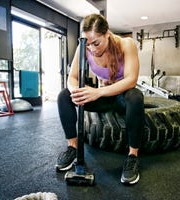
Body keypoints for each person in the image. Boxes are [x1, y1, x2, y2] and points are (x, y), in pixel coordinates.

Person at [56, 13, 144, 185]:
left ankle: (132, 156)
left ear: (107, 34)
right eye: (88, 45)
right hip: (102, 96)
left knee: (135, 96)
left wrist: (98, 92)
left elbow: (131, 79)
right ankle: (72, 148)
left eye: (96, 43)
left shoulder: (126, 44)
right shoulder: (84, 48)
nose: (93, 49)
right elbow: (71, 78)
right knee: (64, 95)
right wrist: (76, 92)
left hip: (121, 98)